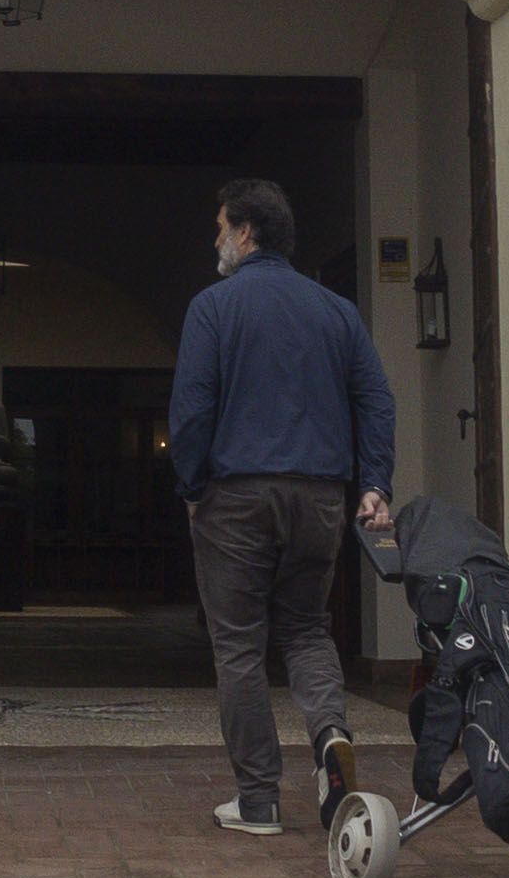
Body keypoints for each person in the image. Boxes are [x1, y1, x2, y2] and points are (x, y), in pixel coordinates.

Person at [169, 176, 396, 836]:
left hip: (235, 495)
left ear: (246, 231)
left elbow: (192, 410)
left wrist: (190, 486)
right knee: (305, 629)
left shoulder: (213, 307)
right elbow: (376, 399)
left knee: (238, 643)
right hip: (320, 495)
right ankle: (330, 736)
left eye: (220, 228)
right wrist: (374, 482)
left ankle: (259, 797)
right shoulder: (336, 311)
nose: (216, 240)